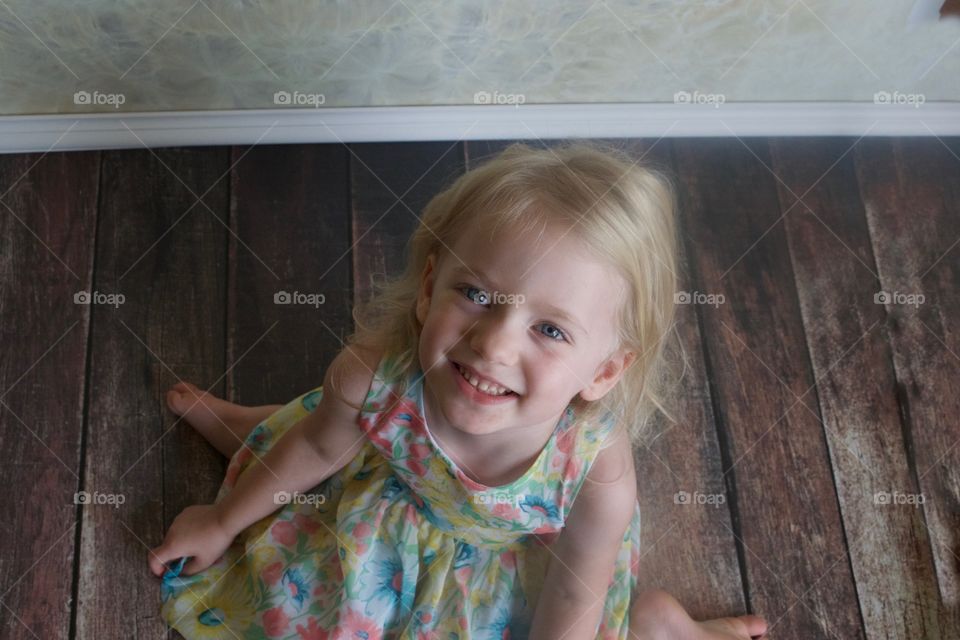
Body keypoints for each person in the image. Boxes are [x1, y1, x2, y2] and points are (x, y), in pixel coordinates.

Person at [149, 142, 769, 639]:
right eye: (476, 294)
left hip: (511, 569)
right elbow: (315, 449)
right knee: (316, 432)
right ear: (428, 286)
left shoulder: (594, 468)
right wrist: (223, 522)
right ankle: (248, 431)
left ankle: (663, 627)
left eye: (550, 329)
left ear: (604, 370)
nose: (494, 345)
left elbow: (577, 589)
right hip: (382, 488)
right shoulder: (373, 377)